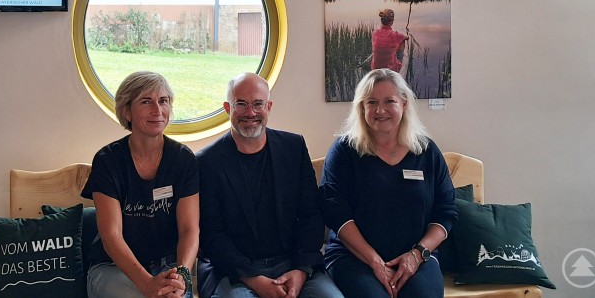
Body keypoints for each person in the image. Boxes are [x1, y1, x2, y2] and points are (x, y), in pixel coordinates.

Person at [196, 72, 343, 298]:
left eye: (258, 104)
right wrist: (255, 280)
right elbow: (212, 235)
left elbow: (311, 214)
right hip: (233, 271)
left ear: (269, 106)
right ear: (227, 108)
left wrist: (301, 270)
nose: (250, 113)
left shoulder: (293, 148)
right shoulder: (207, 162)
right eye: (241, 104)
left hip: (293, 262)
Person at [319, 68, 457, 298]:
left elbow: (446, 212)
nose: (379, 110)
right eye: (371, 102)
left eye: (389, 101)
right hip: (353, 258)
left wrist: (416, 255)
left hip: (417, 258)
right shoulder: (344, 151)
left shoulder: (426, 151)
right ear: (361, 107)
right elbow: (335, 212)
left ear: (403, 104)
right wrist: (375, 261)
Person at [81, 71, 199, 298]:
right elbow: (111, 236)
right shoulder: (108, 161)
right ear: (127, 111)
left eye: (163, 101)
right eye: (146, 101)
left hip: (169, 268)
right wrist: (146, 284)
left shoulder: (183, 159)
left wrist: (182, 275)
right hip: (112, 268)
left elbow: (189, 229)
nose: (158, 110)